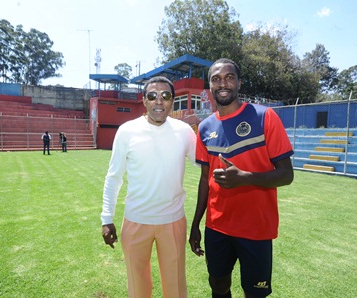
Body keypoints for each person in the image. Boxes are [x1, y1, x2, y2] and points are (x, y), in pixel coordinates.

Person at [189, 58, 294, 298]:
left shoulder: (264, 116)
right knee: (218, 286)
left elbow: (287, 175)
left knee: (255, 293)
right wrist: (196, 224)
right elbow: (205, 180)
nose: (222, 83)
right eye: (216, 79)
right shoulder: (205, 128)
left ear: (239, 82)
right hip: (217, 227)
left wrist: (246, 178)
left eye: (229, 77)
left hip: (256, 227)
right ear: (210, 86)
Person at [101, 76, 196, 298]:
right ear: (144, 100)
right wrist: (107, 218)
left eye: (166, 96)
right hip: (135, 221)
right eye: (152, 96)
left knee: (176, 288)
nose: (159, 101)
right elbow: (113, 177)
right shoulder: (127, 131)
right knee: (138, 288)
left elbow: (205, 163)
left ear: (173, 100)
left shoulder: (184, 131)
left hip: (173, 221)